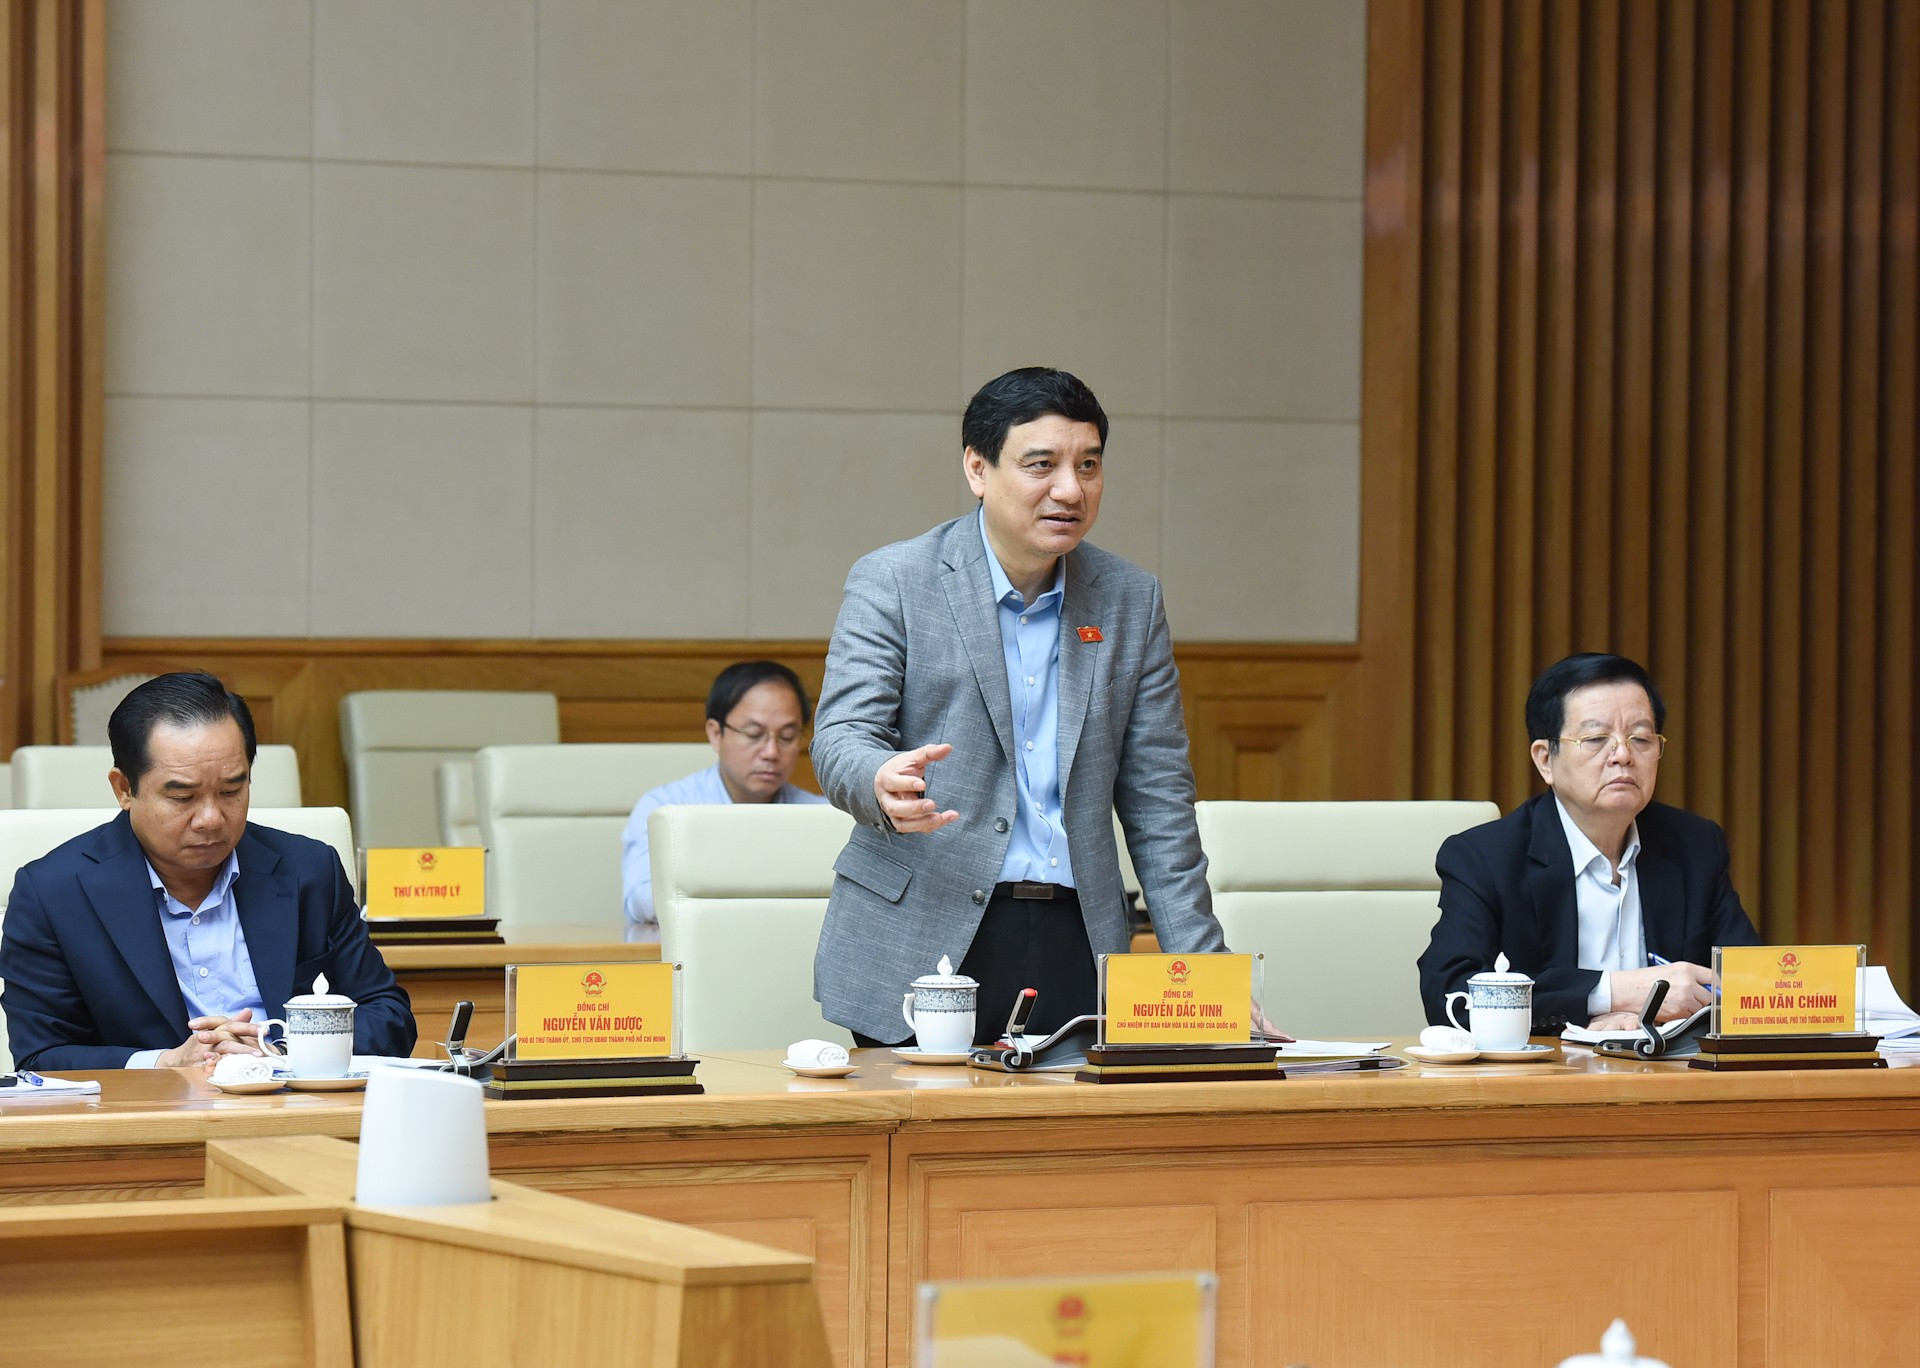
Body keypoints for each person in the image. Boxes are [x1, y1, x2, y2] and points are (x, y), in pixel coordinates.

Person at [811, 366, 1228, 1047]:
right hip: (922, 935)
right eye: (1041, 465)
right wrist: (878, 782)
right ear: (978, 468)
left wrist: (1204, 977)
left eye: (1088, 465)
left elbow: (1158, 801)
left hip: (1077, 932)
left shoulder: (1128, 599)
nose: (1071, 489)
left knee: (1071, 1151)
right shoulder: (897, 580)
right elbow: (842, 736)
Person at [0, 672, 414, 1070]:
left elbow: (389, 1016)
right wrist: (166, 1063)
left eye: (232, 790)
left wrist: (282, 1046)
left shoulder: (309, 870)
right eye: (183, 797)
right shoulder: (53, 893)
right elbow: (42, 1055)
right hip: (152, 1126)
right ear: (124, 789)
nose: (212, 819)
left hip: (296, 1115)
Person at [1418, 652, 1761, 1033]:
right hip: (1545, 1083)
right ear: (1545, 759)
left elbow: (1752, 988)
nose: (1623, 755)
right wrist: (1610, 993)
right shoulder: (1485, 858)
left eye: (1641, 738)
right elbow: (1450, 996)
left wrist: (1649, 1018)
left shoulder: (1694, 847)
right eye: (1597, 738)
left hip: (1669, 1077)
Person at [620, 660, 827, 934]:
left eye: (787, 737)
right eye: (754, 734)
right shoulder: (666, 809)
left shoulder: (820, 816)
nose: (771, 752)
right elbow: (641, 898)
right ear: (715, 734)